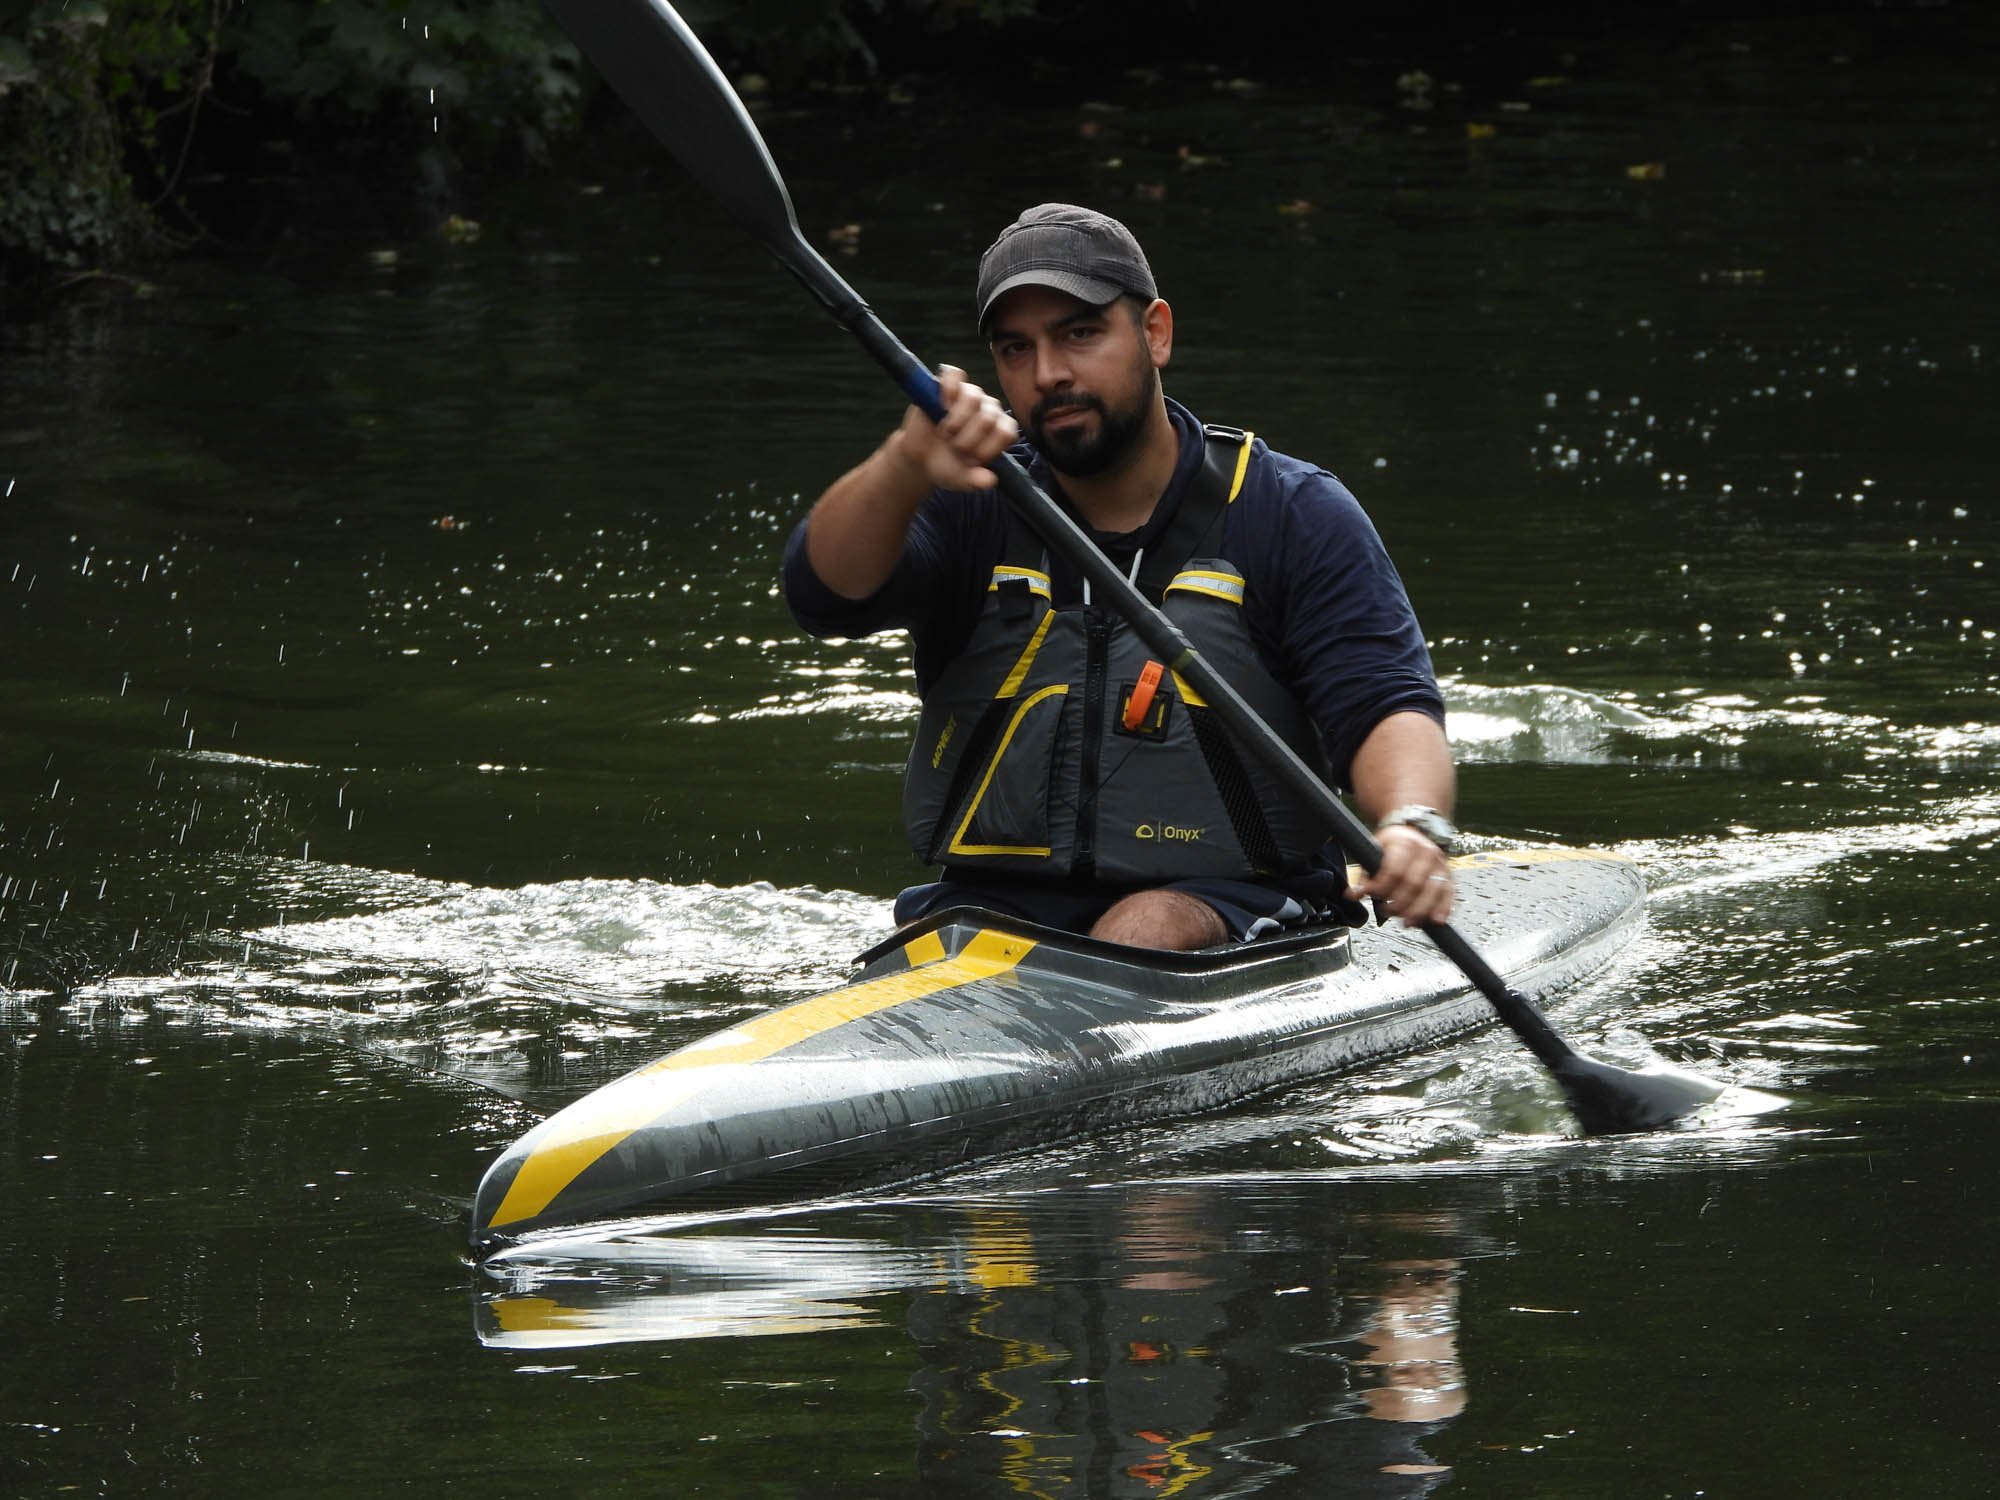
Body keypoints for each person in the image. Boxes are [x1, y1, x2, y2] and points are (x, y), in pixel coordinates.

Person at [782, 202, 1457, 950]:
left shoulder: (1292, 512)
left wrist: (1411, 824)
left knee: (1145, 926)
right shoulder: (969, 501)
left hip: (1237, 905)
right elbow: (822, 598)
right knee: (943, 950)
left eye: (1079, 333)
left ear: (1155, 333)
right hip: (987, 908)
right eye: (1015, 349)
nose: (1048, 374)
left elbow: (1387, 701)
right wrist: (903, 464)